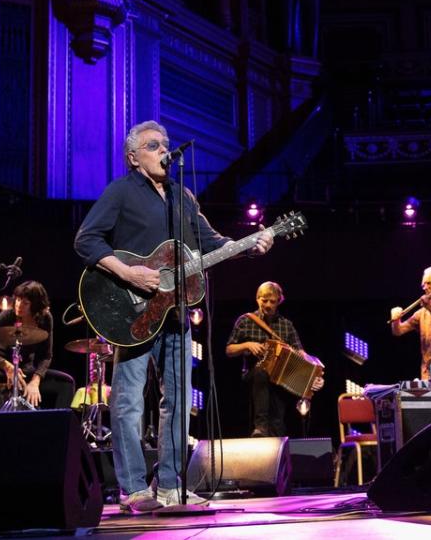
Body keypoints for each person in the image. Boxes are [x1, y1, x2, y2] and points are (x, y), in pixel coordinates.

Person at [74, 120, 274, 513]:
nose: (164, 150)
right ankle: (133, 488)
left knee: (179, 401)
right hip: (130, 312)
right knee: (128, 402)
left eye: (165, 143)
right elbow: (86, 239)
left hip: (176, 312)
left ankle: (168, 484)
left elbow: (211, 243)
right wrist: (128, 272)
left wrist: (251, 244)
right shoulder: (121, 192)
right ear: (134, 157)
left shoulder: (183, 196)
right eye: (153, 145)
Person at [226, 281, 324, 437]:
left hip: (280, 377)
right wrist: (247, 345)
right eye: (264, 301)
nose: (268, 305)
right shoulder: (246, 320)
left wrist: (315, 372)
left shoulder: (286, 325)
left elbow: (300, 352)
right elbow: (229, 349)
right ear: (257, 299)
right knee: (261, 371)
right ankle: (261, 427)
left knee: (278, 421)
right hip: (253, 374)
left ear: (279, 302)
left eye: (272, 302)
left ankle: (276, 442)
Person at [0, 280, 75, 413]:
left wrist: (36, 380)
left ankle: (58, 430)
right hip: (1, 370)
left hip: (25, 372)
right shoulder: (7, 315)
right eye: (18, 300)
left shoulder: (45, 318)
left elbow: (46, 356)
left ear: (36, 305)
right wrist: (6, 366)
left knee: (66, 383)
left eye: (25, 303)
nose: (19, 305)